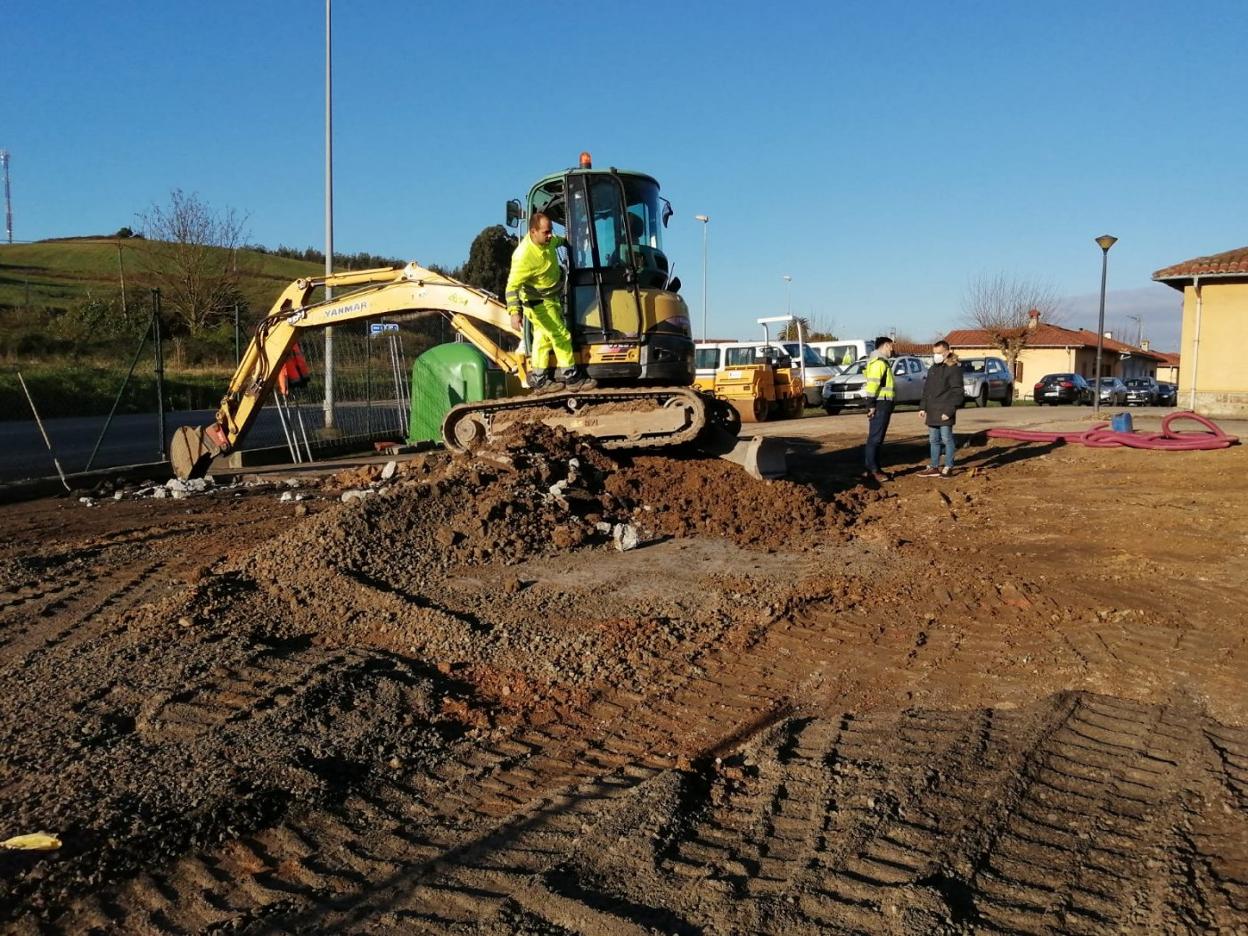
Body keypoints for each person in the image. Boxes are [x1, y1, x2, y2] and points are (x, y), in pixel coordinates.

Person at [505, 212, 595, 392]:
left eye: (551, 231)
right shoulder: (523, 256)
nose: (550, 235)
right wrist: (514, 313)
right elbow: (512, 287)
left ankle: (539, 378)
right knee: (560, 335)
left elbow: (558, 241)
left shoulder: (548, 241)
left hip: (551, 299)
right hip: (538, 303)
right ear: (532, 232)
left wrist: (570, 239)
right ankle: (572, 377)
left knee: (542, 339)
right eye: (546, 232)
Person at [918, 341, 963, 477]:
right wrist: (923, 407)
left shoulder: (953, 369)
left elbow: (958, 392)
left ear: (947, 352)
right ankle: (934, 466)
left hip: (945, 411)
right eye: (934, 353)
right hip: (932, 410)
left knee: (947, 439)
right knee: (933, 440)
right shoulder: (933, 368)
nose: (936, 356)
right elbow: (927, 389)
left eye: (939, 353)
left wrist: (949, 411)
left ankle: (948, 466)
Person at [862, 336, 896, 481]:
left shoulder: (879, 362)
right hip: (880, 404)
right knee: (875, 438)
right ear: (886, 345)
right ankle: (873, 470)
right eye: (891, 346)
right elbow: (873, 385)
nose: (892, 349)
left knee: (876, 438)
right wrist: (871, 405)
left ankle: (871, 468)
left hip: (882, 403)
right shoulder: (879, 363)